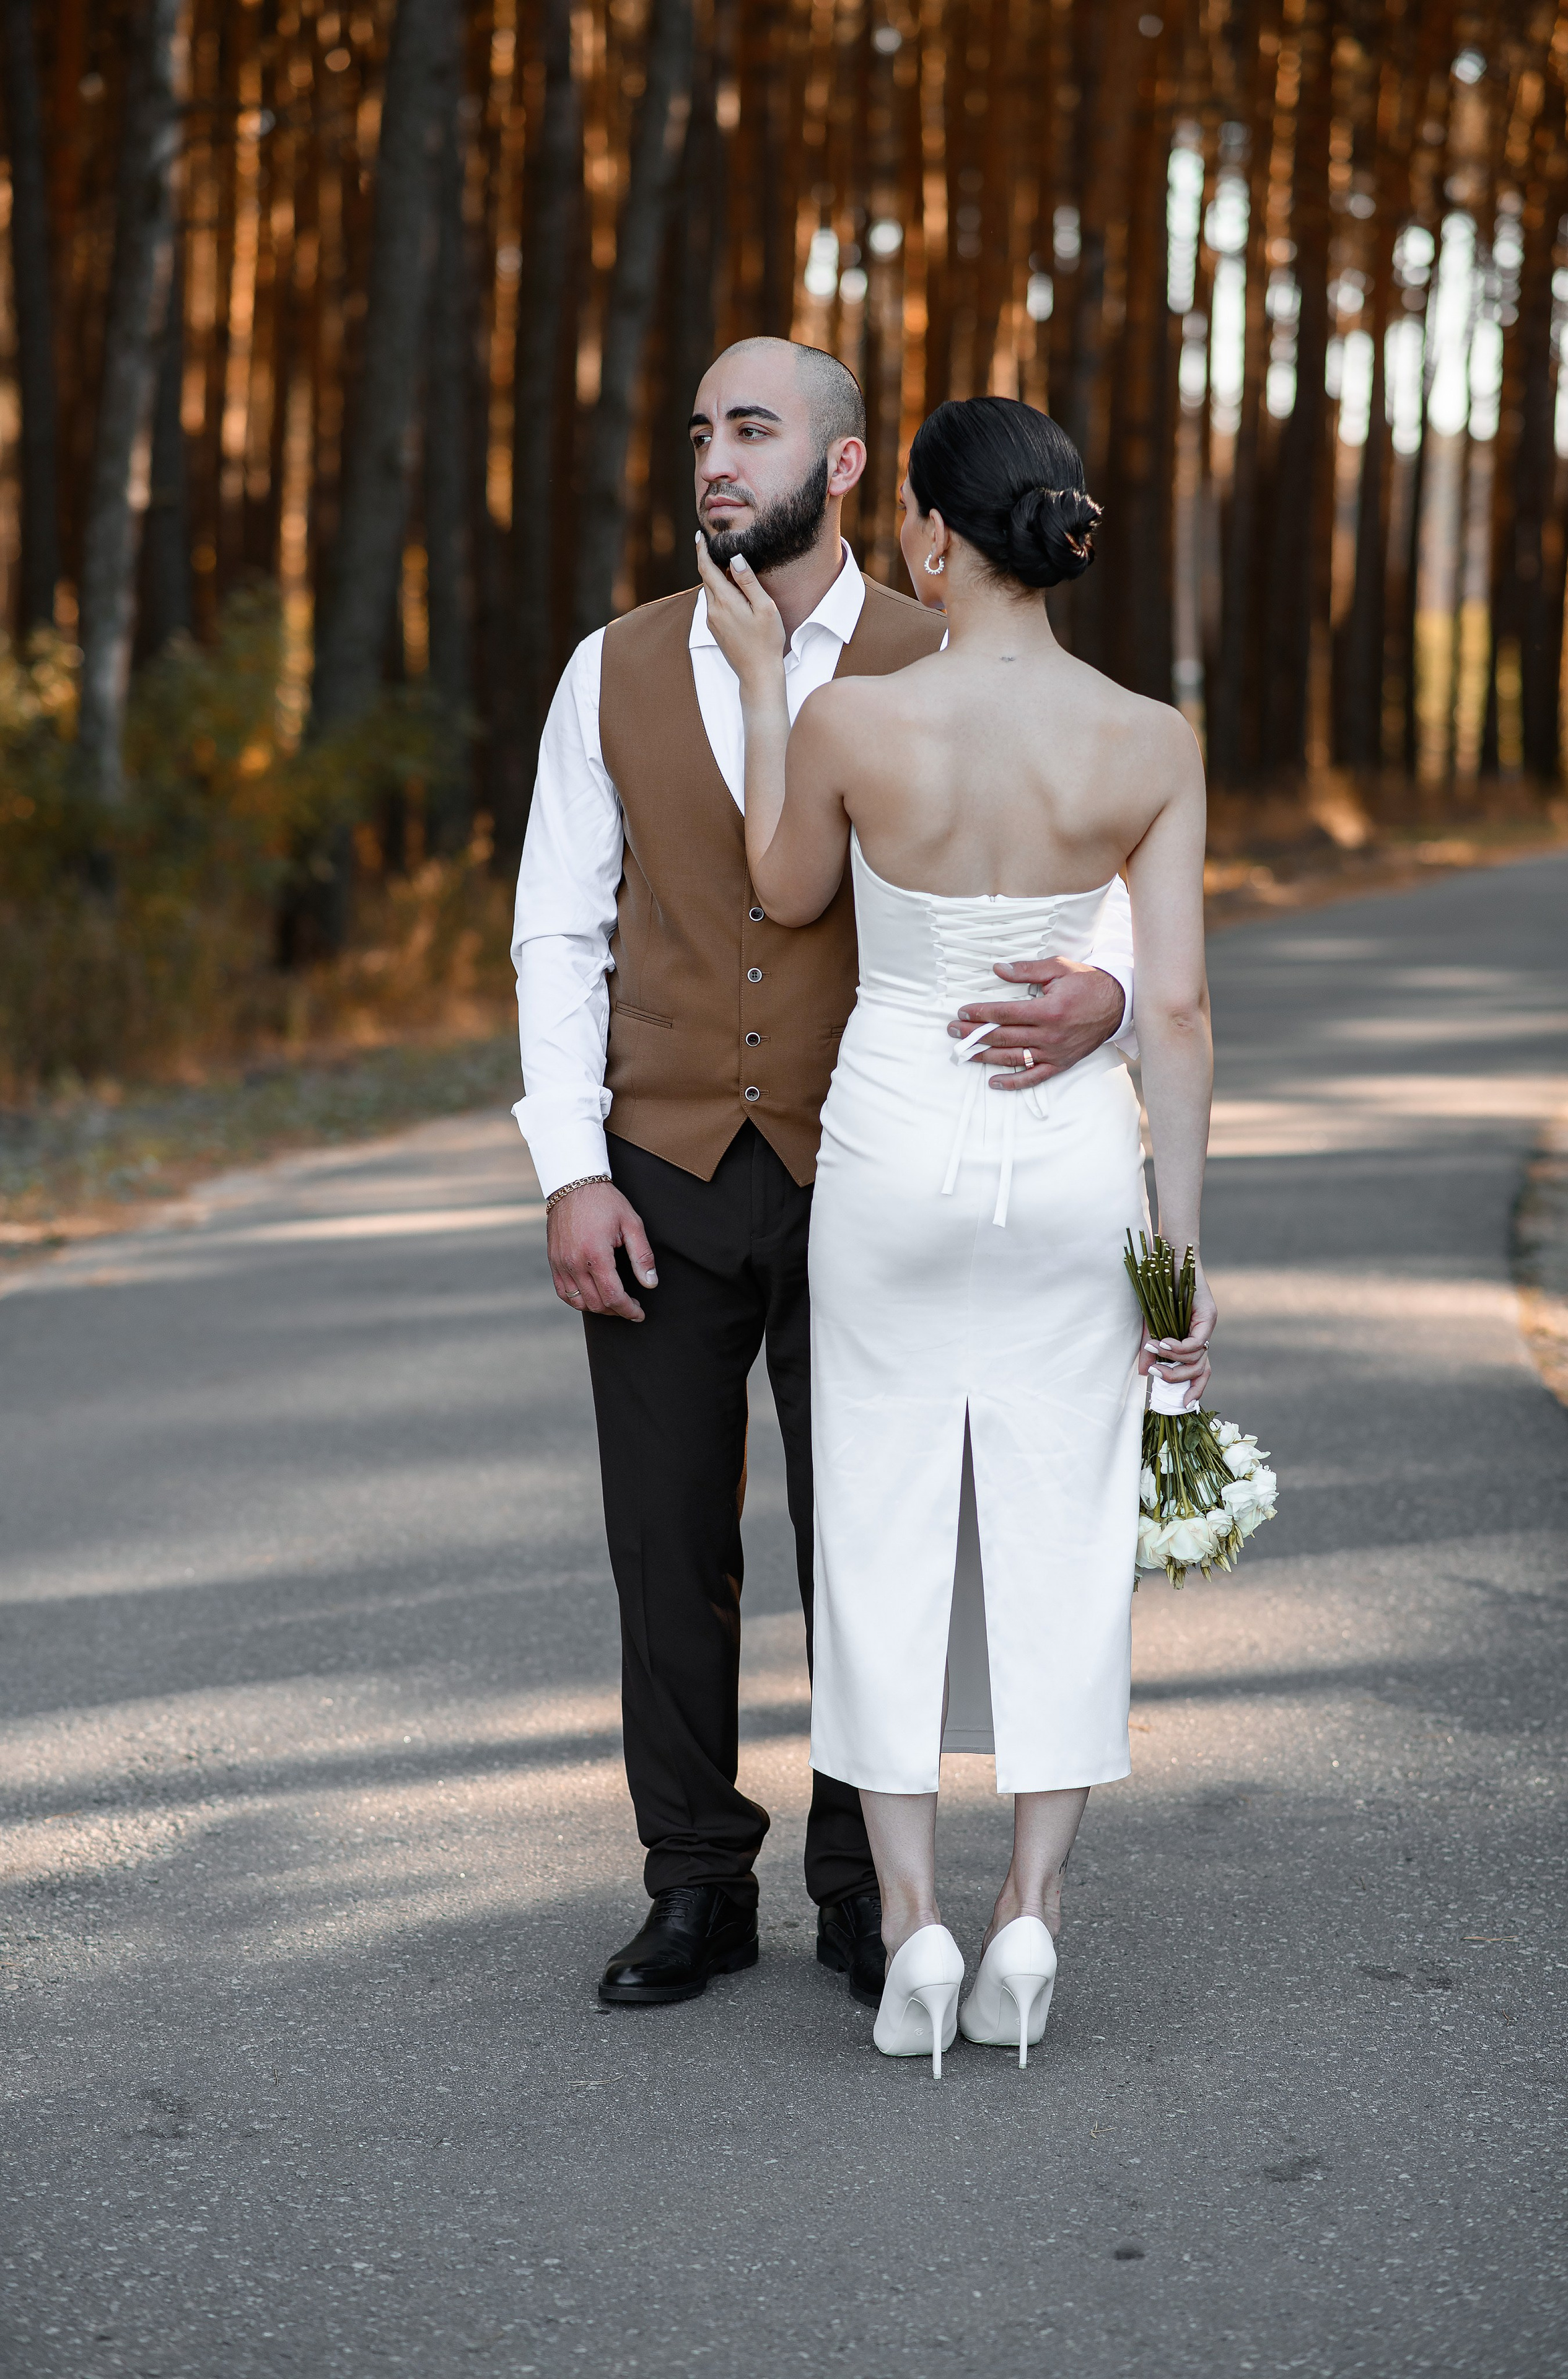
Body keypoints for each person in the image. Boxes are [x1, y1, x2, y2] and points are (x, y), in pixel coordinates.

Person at [511, 344, 1139, 2012]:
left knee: (876, 1529)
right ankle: (694, 1882)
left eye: (753, 429)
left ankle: (870, 1892)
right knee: (666, 1540)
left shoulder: (955, 642)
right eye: (701, 431)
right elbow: (558, 929)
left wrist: (1113, 989)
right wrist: (572, 1170)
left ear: (848, 466)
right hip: (659, 1165)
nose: (715, 460)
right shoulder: (611, 667)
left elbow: (1103, 854)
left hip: (872, 1160)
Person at [696, 392, 1215, 2072]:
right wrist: (1175, 1267)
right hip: (1068, 1170)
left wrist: (767, 687)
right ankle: (1031, 1914)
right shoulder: (1149, 740)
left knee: (883, 1530)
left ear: (928, 531)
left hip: (894, 1158)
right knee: (1063, 1529)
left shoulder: (855, 720)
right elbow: (1176, 1010)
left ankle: (912, 1922)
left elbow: (784, 892)